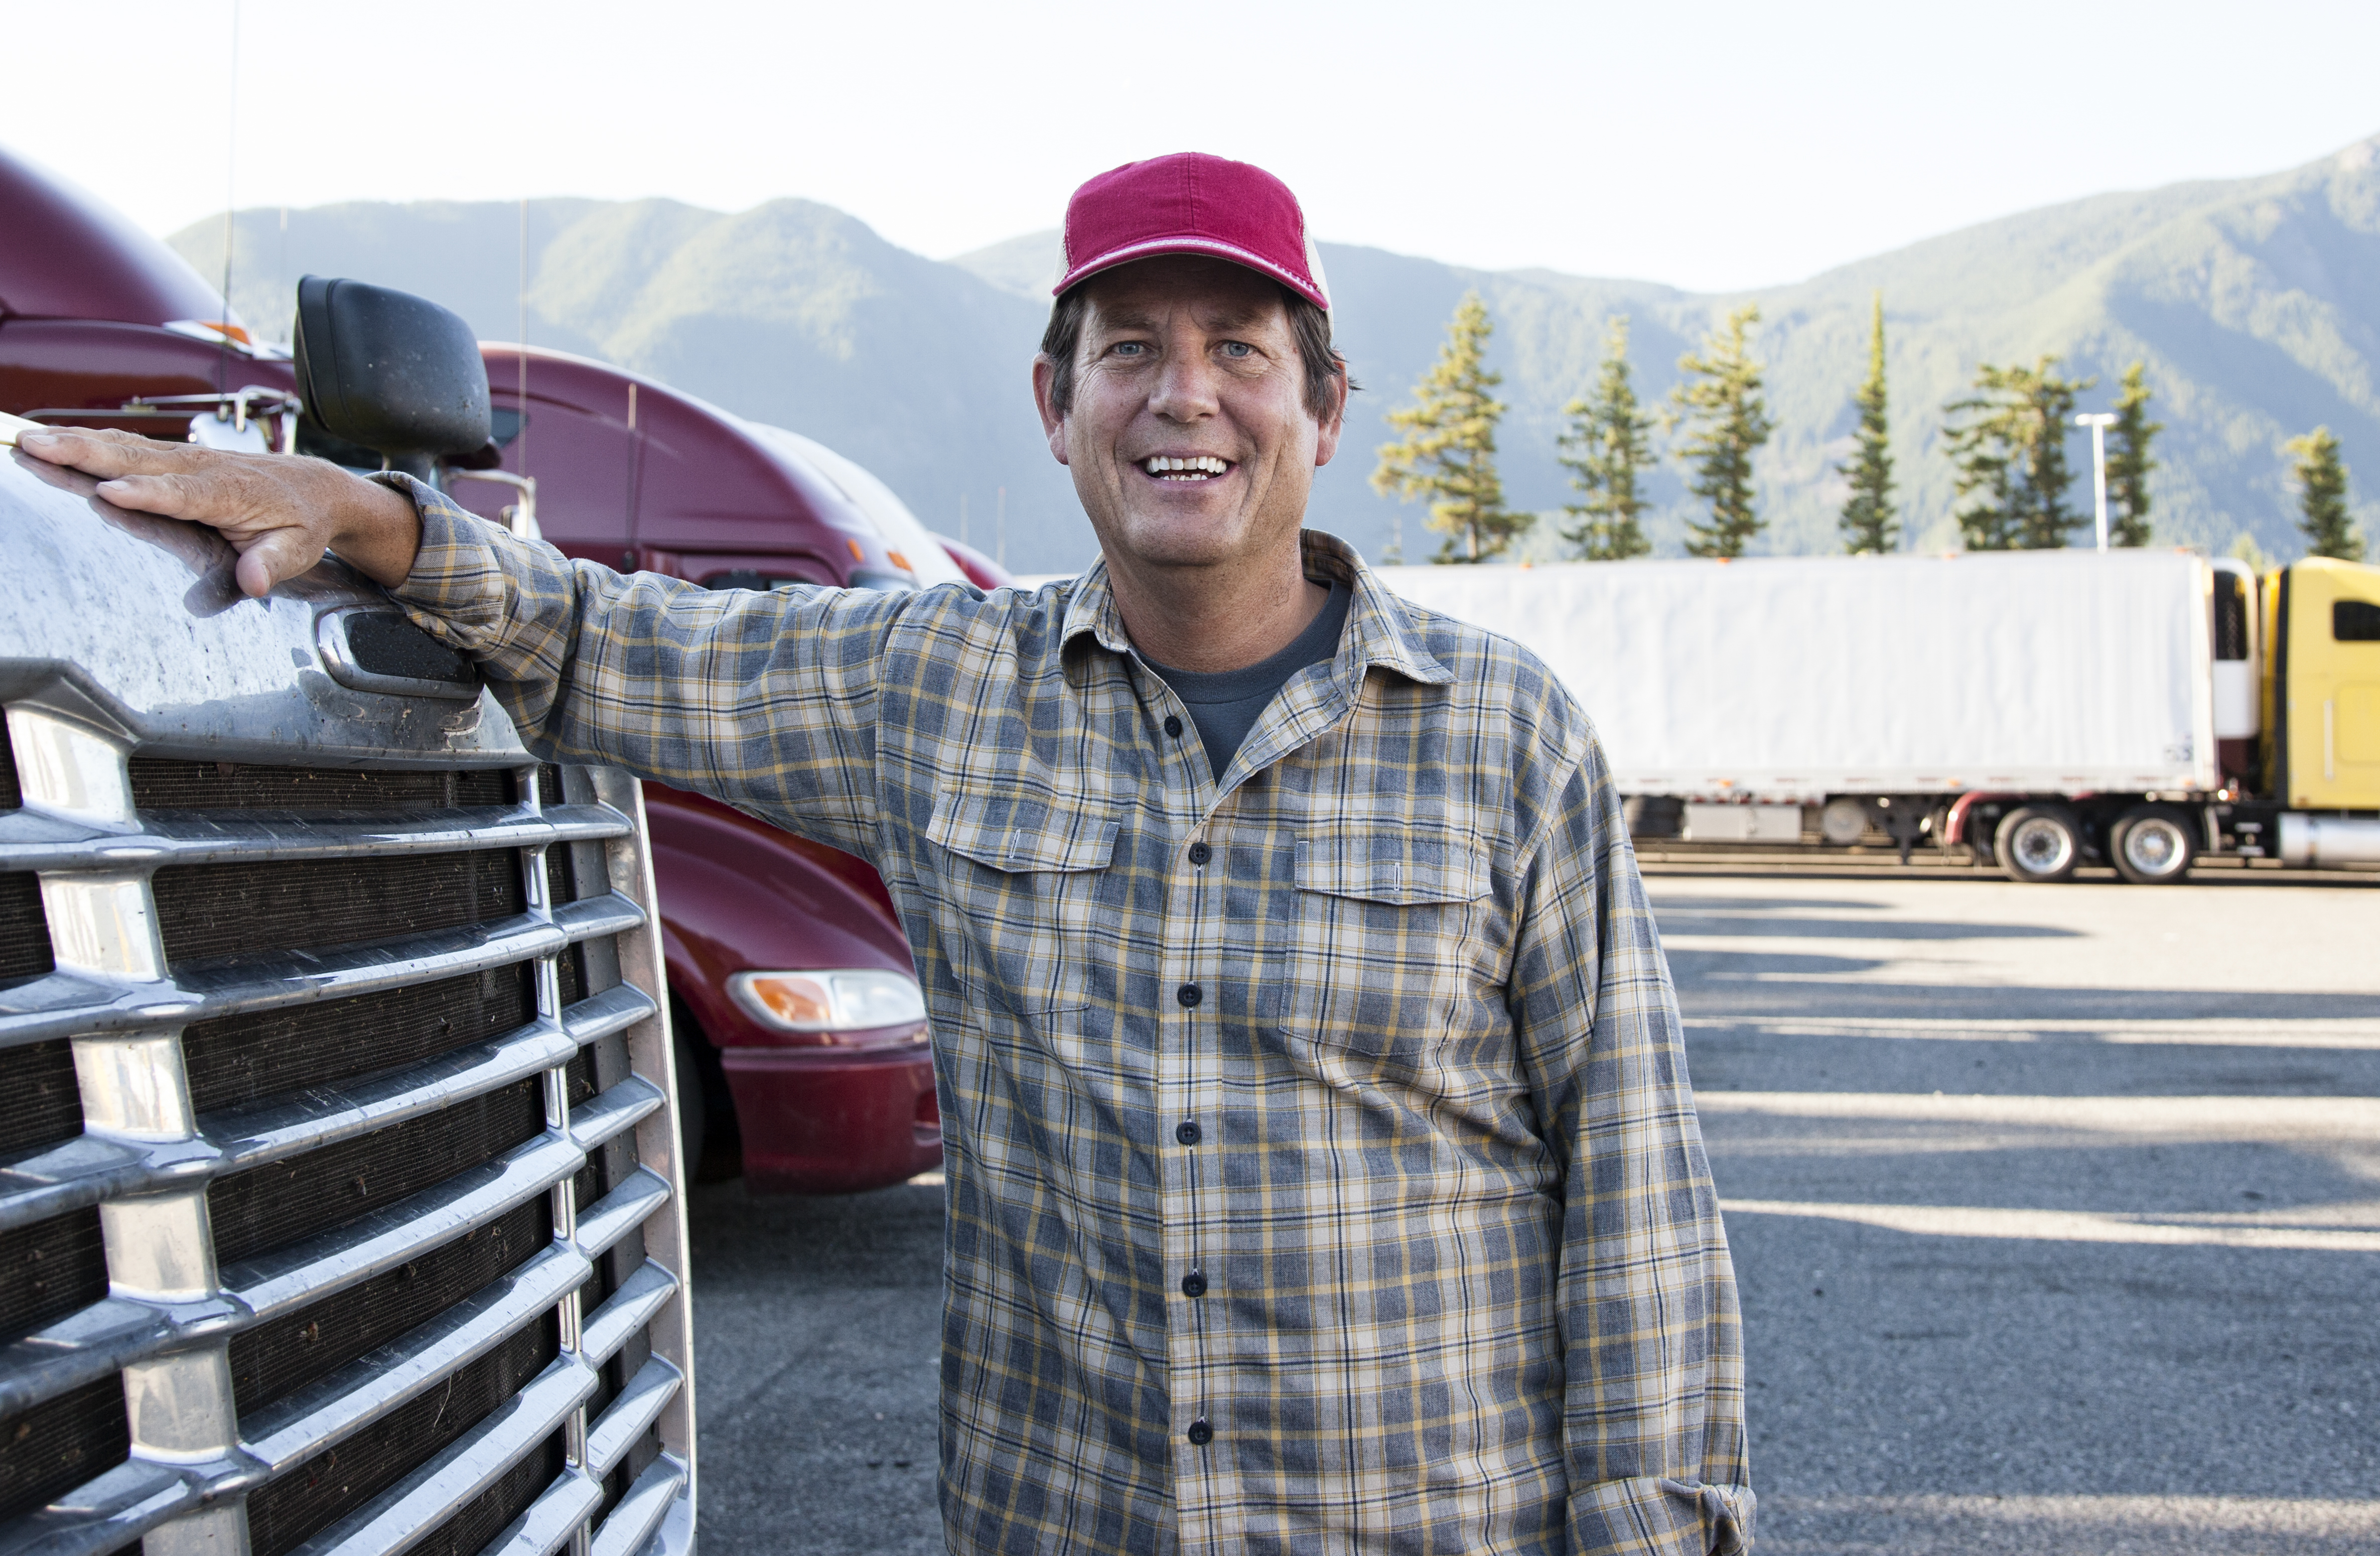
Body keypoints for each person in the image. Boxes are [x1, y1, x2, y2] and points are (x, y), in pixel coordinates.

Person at [22, 153, 1753, 1554]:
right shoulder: (933, 687)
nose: (1187, 397)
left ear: (1323, 406)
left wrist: (1658, 1533)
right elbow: (599, 645)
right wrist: (369, 517)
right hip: (1069, 1522)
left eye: (1240, 349)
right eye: (1132, 348)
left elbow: (1637, 1190)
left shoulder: (1501, 732)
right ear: (1056, 401)